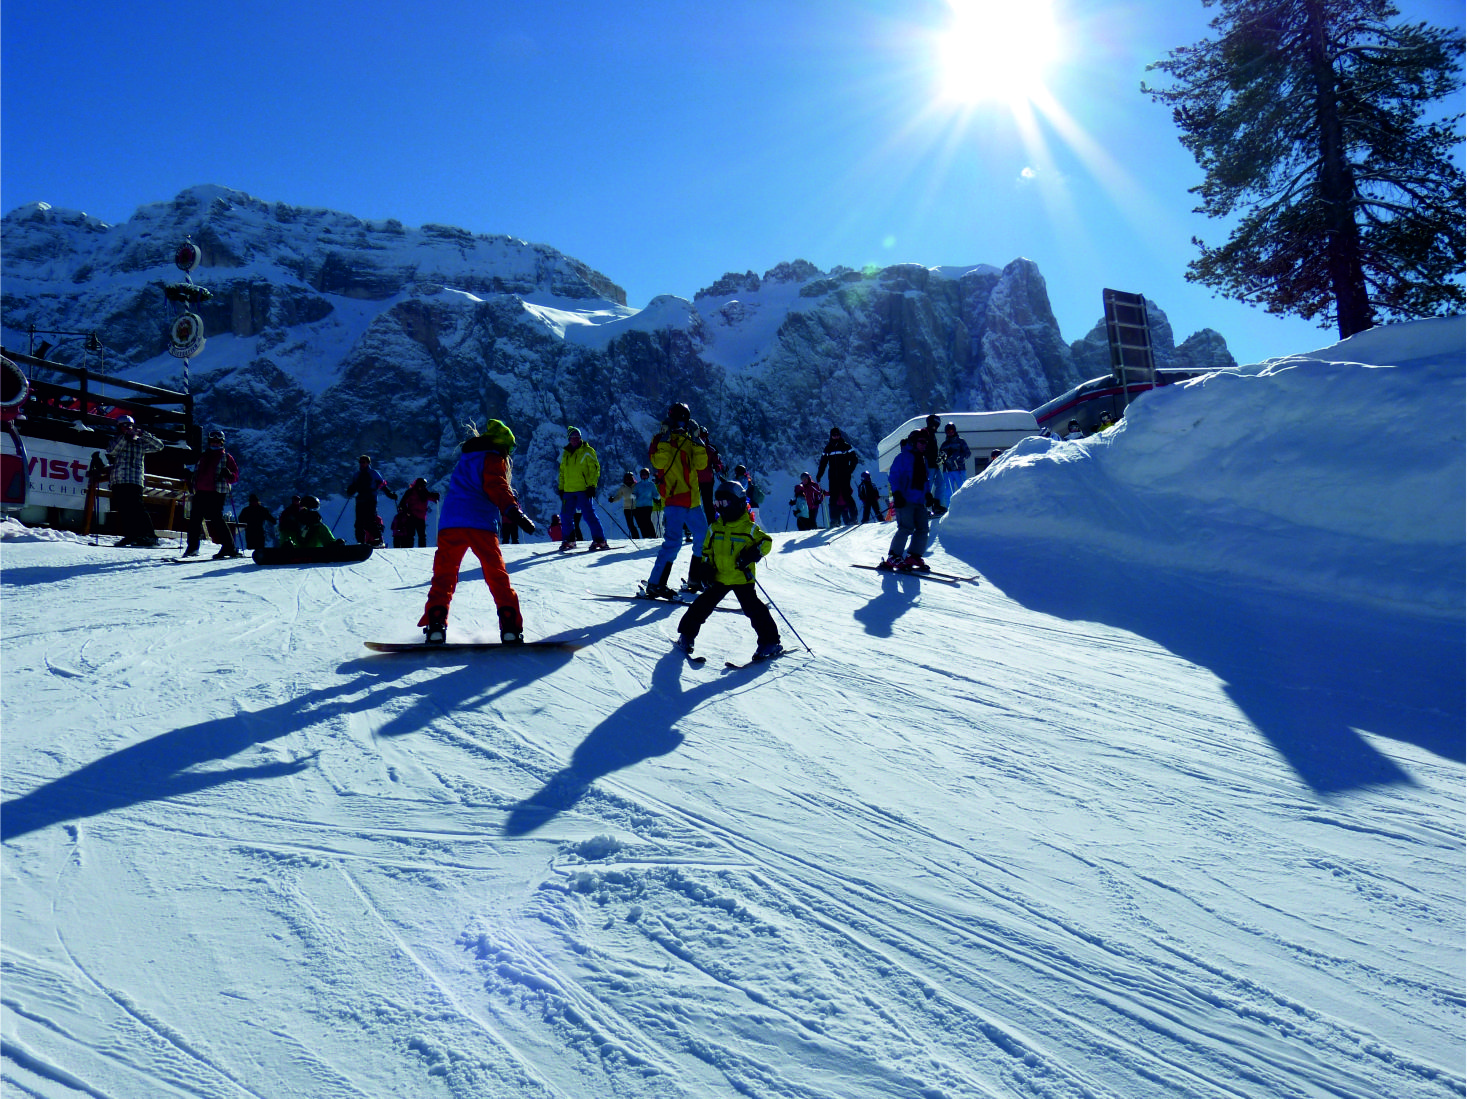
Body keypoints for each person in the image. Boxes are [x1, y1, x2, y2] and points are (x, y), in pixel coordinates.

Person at [420, 420, 536, 645]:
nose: (508, 455)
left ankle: (436, 625)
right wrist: (514, 511)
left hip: (451, 522)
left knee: (444, 576)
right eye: (509, 450)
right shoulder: (493, 458)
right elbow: (496, 486)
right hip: (480, 523)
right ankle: (510, 627)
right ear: (502, 445)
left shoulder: (466, 458)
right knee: (496, 576)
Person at [673, 480, 782, 662]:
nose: (719, 507)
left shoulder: (749, 528)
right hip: (719, 576)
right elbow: (706, 550)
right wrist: (706, 567)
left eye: (723, 503)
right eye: (717, 503)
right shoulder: (715, 528)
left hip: (742, 578)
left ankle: (770, 642)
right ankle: (686, 635)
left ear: (737, 503)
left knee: (754, 610)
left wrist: (752, 554)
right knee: (702, 606)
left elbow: (767, 542)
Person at [643, 402, 709, 598]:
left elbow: (701, 464)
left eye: (684, 420)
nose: (680, 424)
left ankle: (695, 579)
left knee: (703, 538)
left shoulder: (690, 441)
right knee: (673, 542)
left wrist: (697, 440)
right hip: (673, 498)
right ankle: (655, 583)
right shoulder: (660, 439)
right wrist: (664, 439)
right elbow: (658, 462)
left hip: (692, 500)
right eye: (677, 420)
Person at [105, 415, 164, 546]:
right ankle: (131, 535)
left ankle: (149, 536)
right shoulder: (116, 440)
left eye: (130, 426)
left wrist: (143, 434)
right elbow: (111, 451)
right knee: (124, 509)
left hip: (134, 478)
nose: (128, 429)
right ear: (119, 427)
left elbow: (159, 446)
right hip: (118, 479)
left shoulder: (140, 442)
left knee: (137, 507)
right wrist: (126, 437)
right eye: (124, 426)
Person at [183, 429, 241, 558]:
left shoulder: (226, 457)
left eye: (218, 443)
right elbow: (198, 474)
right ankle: (192, 547)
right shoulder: (203, 456)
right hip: (201, 491)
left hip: (217, 492)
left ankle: (229, 547)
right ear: (209, 442)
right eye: (213, 442)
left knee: (216, 518)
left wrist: (229, 474)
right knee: (195, 519)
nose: (215, 444)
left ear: (222, 444)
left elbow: (235, 477)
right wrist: (189, 476)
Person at [880, 431, 931, 572]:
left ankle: (913, 556)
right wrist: (897, 493)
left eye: (926, 442)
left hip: (919, 500)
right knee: (906, 528)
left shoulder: (922, 459)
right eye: (922, 442)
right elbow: (894, 476)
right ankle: (893, 557)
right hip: (905, 499)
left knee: (923, 528)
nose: (924, 445)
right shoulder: (902, 458)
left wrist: (928, 494)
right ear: (914, 442)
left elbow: (925, 480)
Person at [557, 426, 610, 551]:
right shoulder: (566, 453)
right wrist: (561, 488)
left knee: (588, 515)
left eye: (577, 437)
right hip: (568, 490)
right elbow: (562, 472)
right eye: (573, 437)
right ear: (569, 439)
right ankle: (569, 540)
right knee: (565, 516)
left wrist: (592, 486)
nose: (575, 439)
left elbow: (595, 469)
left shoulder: (588, 451)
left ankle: (600, 540)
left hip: (583, 489)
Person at [345, 455, 397, 545]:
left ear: (368, 463)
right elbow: (353, 486)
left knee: (369, 521)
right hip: (360, 500)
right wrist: (350, 491)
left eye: (363, 462)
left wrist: (390, 494)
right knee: (359, 523)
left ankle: (379, 539)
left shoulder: (373, 473)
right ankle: (360, 542)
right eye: (360, 462)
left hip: (370, 499)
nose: (361, 464)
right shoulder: (357, 474)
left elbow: (382, 485)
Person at [816, 428, 860, 526]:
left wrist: (849, 470)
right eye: (834, 435)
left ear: (840, 435)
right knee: (833, 498)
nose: (836, 436)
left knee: (847, 496)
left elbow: (854, 459)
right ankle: (834, 520)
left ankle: (854, 518)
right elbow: (823, 463)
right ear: (831, 436)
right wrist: (819, 474)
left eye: (837, 434)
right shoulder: (828, 449)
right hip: (833, 477)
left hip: (844, 476)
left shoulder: (846, 446)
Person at [280, 495, 344, 548]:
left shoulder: (317, 524)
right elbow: (285, 532)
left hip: (310, 546)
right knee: (287, 529)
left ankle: (333, 547)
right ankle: (287, 548)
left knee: (321, 528)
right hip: (296, 545)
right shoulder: (292, 521)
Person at [937, 423, 972, 510]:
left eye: (952, 431)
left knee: (962, 488)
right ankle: (950, 509)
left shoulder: (961, 441)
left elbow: (968, 453)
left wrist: (957, 456)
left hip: (959, 469)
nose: (950, 433)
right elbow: (940, 459)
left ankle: (965, 507)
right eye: (948, 431)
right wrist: (943, 458)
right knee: (948, 491)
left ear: (955, 431)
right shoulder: (944, 444)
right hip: (948, 470)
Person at [398, 477, 440, 546]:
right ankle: (414, 548)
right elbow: (402, 503)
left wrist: (435, 496)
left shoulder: (420, 492)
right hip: (414, 516)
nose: (422, 486)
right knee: (415, 535)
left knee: (418, 535)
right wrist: (407, 511)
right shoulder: (414, 492)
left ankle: (417, 548)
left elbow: (402, 503)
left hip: (417, 516)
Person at [696, 425, 725, 524]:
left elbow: (718, 463)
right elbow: (718, 463)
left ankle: (711, 524)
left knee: (706, 503)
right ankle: (709, 524)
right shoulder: (710, 449)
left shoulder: (710, 450)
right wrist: (717, 468)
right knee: (699, 503)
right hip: (703, 479)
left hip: (702, 480)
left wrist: (717, 467)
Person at [607, 470, 639, 537]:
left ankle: (643, 536)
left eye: (630, 479)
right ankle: (635, 537)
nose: (628, 480)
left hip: (636, 507)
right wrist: (613, 499)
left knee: (640, 523)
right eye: (627, 479)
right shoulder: (623, 487)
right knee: (630, 525)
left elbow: (641, 494)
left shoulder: (636, 486)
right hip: (627, 508)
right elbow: (618, 496)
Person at [631, 468, 659, 538]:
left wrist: (657, 497)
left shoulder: (651, 485)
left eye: (645, 475)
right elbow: (635, 493)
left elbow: (655, 493)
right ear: (641, 476)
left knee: (647, 520)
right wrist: (633, 496)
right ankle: (645, 535)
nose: (644, 476)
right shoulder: (638, 485)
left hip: (648, 505)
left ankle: (652, 535)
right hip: (639, 506)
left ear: (648, 475)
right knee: (641, 522)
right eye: (643, 475)